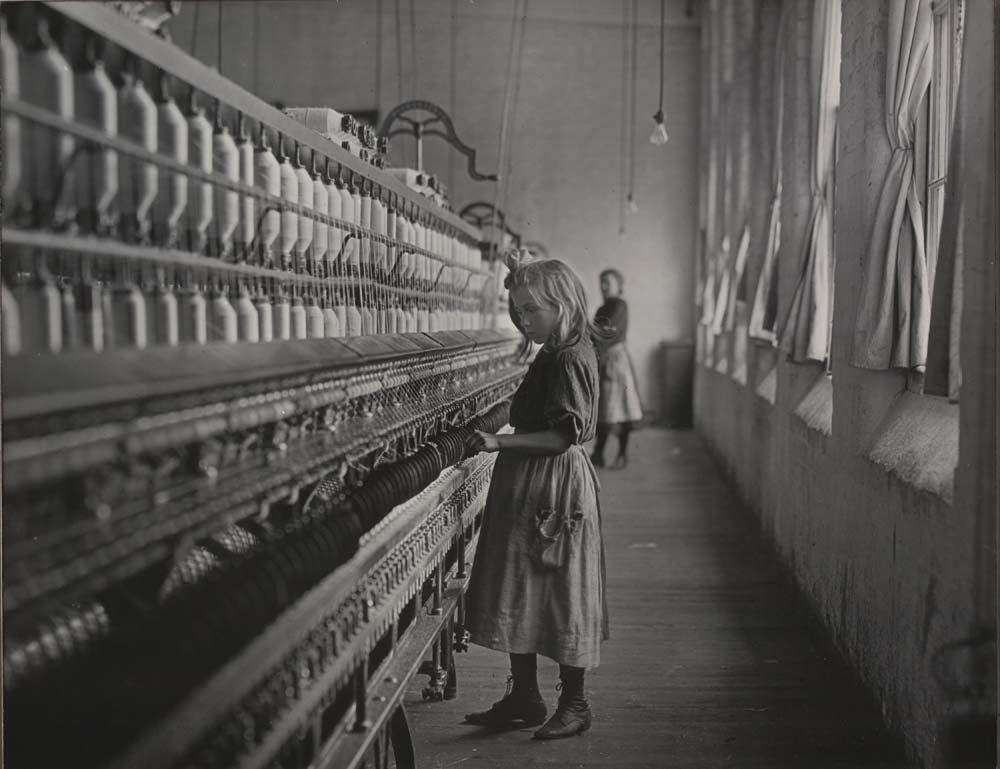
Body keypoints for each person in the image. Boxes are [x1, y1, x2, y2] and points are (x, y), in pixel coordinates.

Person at [462, 252, 609, 740]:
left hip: (554, 482)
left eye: (531, 310)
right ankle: (524, 696)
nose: (521, 319)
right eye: (516, 309)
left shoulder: (568, 356)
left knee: (561, 590)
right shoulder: (551, 350)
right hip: (529, 481)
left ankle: (576, 703)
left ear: (562, 305)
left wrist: (495, 440)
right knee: (519, 584)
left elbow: (562, 436)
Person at [590, 268, 643, 469]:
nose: (603, 286)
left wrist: (587, 329)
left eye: (608, 283)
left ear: (619, 286)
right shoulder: (602, 308)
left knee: (621, 409)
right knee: (605, 409)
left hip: (615, 361)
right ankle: (599, 453)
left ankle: (621, 454)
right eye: (601, 282)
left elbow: (607, 332)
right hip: (604, 360)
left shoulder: (620, 305)